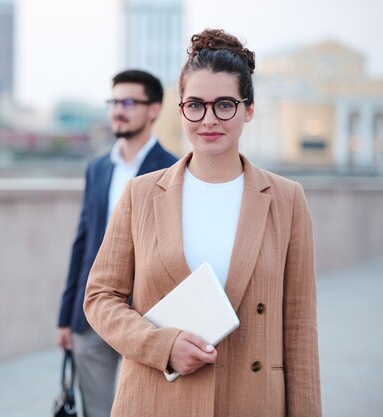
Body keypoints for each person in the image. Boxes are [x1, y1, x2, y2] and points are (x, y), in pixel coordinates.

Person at [83, 29, 322, 417]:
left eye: (224, 104)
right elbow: (99, 298)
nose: (208, 119)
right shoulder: (140, 194)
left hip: (252, 401)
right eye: (195, 105)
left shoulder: (286, 199)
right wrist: (161, 345)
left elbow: (299, 328)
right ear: (180, 110)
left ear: (249, 109)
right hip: (156, 399)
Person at [57, 69, 177, 417]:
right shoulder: (97, 168)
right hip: (92, 314)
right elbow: (82, 244)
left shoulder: (174, 169)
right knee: (96, 410)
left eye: (128, 102)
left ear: (154, 109)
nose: (117, 110)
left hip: (149, 315)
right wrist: (66, 316)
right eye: (113, 102)